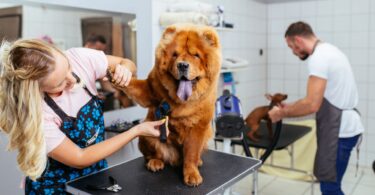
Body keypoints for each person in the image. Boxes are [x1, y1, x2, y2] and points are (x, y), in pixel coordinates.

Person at [0, 39, 167, 194]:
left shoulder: (78, 57)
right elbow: (80, 157)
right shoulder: (38, 114)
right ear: (36, 90)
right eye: (59, 84)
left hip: (98, 175)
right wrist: (135, 131)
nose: (72, 80)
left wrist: (124, 70)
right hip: (55, 187)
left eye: (68, 68)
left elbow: (127, 63)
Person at [268, 21, 364, 195]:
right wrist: (290, 106)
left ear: (297, 40)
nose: (293, 52)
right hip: (344, 128)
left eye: (291, 47)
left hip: (340, 132)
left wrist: (281, 113)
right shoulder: (330, 51)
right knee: (330, 185)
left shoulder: (319, 58)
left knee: (329, 187)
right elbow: (319, 97)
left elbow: (312, 104)